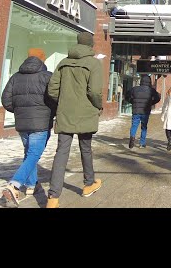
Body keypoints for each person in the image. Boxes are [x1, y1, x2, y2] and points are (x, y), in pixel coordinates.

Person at [45, 32, 103, 209]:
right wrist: (98, 105)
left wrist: (64, 102)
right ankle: (89, 184)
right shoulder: (94, 63)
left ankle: (53, 198)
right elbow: (94, 91)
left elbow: (52, 89)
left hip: (65, 113)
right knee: (86, 148)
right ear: (90, 45)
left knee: (61, 152)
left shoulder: (63, 63)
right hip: (86, 112)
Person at [0, 48, 56, 207]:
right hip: (41, 123)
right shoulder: (47, 77)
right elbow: (54, 98)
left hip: (22, 123)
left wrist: (20, 111)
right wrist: (50, 113)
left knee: (29, 153)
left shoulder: (15, 77)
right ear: (42, 60)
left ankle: (31, 185)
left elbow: (6, 100)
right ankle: (14, 184)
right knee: (33, 155)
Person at [127, 74, 161, 149]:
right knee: (144, 127)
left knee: (134, 125)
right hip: (145, 111)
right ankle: (142, 143)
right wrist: (151, 103)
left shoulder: (134, 89)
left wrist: (132, 102)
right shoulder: (151, 90)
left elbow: (126, 96)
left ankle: (132, 137)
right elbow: (158, 97)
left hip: (136, 110)